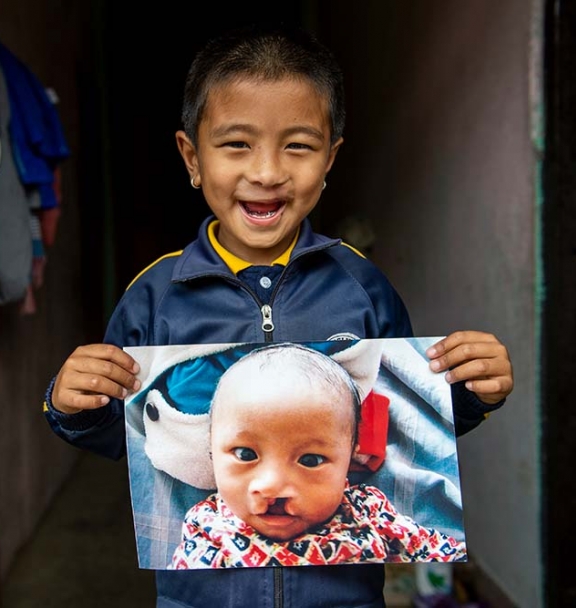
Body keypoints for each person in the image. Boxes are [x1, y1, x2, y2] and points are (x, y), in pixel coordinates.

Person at [43, 22, 514, 608]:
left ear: (330, 159)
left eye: (297, 145)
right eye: (236, 144)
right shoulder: (155, 296)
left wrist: (468, 394)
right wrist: (73, 405)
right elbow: (131, 437)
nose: (266, 172)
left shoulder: (362, 287)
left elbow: (399, 429)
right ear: (192, 157)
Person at [169, 343, 466, 570]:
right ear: (211, 450)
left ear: (351, 457)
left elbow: (438, 550)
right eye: (246, 454)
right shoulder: (206, 524)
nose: (271, 486)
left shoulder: (366, 511)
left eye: (310, 460)